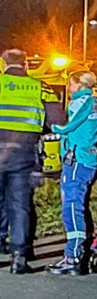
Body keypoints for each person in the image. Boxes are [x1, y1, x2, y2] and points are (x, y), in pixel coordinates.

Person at [0, 48, 67, 274]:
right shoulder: (41, 87)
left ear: (3, 63)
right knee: (20, 204)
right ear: (26, 65)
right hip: (25, 154)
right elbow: (59, 119)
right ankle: (19, 258)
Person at [47, 71, 97, 275]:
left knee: (71, 205)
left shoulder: (79, 103)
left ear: (78, 85)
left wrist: (49, 125)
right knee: (82, 204)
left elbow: (67, 127)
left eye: (70, 84)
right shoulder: (96, 102)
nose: (68, 89)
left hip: (76, 159)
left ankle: (73, 255)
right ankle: (89, 249)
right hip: (90, 158)